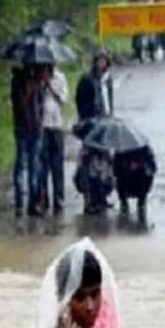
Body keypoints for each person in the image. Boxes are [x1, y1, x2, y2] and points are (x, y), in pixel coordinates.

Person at [73, 51, 116, 214]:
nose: (102, 64)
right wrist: (86, 120)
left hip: (105, 124)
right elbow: (80, 101)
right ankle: (89, 199)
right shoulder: (87, 80)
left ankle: (102, 196)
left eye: (104, 61)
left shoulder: (108, 81)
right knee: (89, 164)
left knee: (104, 163)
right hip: (91, 125)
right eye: (99, 61)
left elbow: (109, 102)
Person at [11, 66, 45, 216]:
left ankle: (33, 203)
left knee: (35, 166)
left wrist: (40, 121)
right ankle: (19, 202)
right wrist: (30, 88)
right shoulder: (17, 81)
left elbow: (41, 104)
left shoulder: (38, 82)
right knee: (21, 164)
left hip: (36, 129)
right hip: (22, 128)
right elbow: (19, 104)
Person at [39, 64, 69, 214]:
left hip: (56, 125)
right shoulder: (37, 77)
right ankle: (43, 199)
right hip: (42, 126)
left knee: (57, 165)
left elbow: (63, 100)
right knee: (42, 165)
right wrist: (42, 85)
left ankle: (59, 198)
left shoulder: (60, 77)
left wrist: (50, 86)